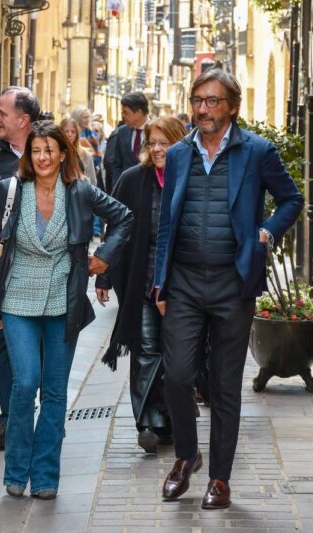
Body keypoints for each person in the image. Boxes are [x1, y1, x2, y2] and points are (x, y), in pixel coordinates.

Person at [154, 69, 303, 509]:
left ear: (232, 107)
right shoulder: (179, 154)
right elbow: (167, 222)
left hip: (232, 283)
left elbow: (292, 199)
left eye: (213, 101)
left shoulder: (257, 152)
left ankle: (219, 478)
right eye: (198, 100)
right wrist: (160, 281)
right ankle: (186, 457)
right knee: (177, 376)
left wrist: (266, 232)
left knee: (224, 386)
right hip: (182, 281)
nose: (203, 108)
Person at [0, 121, 133, 499]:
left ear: (63, 153)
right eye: (36, 151)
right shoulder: (11, 190)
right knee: (25, 381)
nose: (43, 157)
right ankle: (16, 470)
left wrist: (104, 258)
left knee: (56, 392)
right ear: (29, 155)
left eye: (50, 150)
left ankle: (45, 476)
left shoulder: (79, 191)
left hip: (64, 300)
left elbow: (125, 217)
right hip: (17, 299)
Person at [96, 116, 187, 454]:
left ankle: (170, 417)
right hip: (143, 281)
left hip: (183, 285)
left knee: (178, 355)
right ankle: (147, 422)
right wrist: (104, 274)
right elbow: (115, 229)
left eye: (166, 142)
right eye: (153, 142)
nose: (158, 148)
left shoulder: (192, 179)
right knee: (147, 349)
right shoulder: (133, 180)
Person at [0, 86, 40, 450]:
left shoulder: (50, 148)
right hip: (7, 270)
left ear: (24, 120)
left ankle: (38, 416)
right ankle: (9, 421)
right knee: (4, 346)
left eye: (2, 113)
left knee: (41, 351)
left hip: (45, 269)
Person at [103, 92, 149, 193]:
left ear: (139, 112)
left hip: (146, 192)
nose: (122, 116)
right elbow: (116, 164)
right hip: (124, 193)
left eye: (126, 112)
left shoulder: (155, 131)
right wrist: (117, 187)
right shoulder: (122, 132)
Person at [60, 117, 97, 186]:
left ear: (76, 135)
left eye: (73, 132)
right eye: (66, 131)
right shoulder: (56, 154)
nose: (69, 134)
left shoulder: (86, 155)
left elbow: (93, 182)